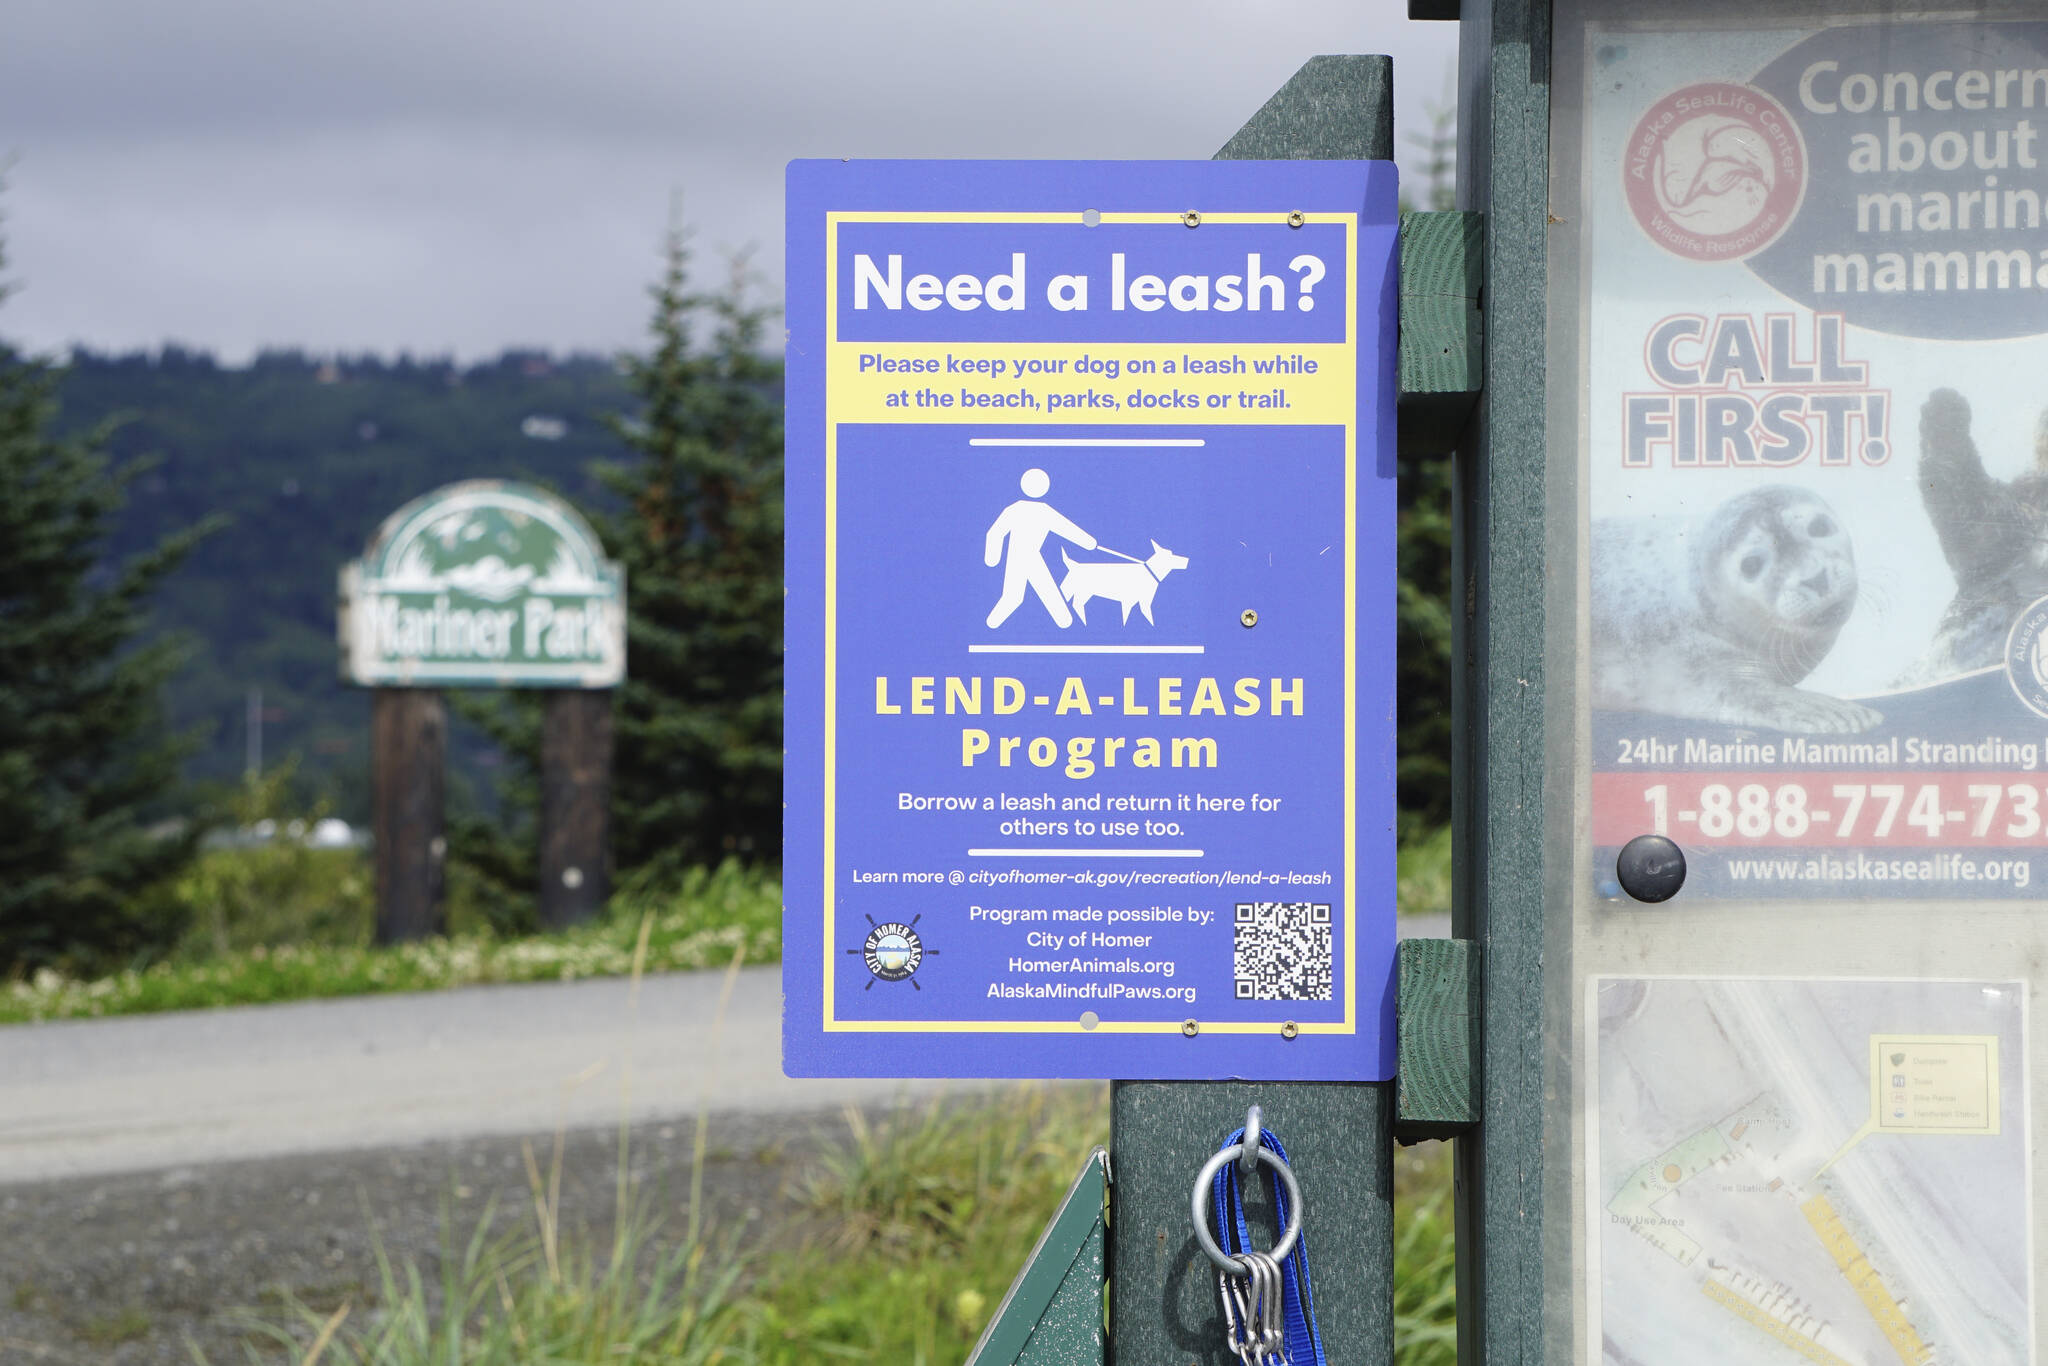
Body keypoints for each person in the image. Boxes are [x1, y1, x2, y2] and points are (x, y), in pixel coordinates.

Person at [983, 468, 1096, 628]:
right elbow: (995, 532)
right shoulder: (1035, 511)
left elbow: (995, 533)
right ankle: (992, 624)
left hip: (1025, 556)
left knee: (1016, 595)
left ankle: (1063, 620)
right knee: (1019, 595)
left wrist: (1089, 543)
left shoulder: (1023, 509)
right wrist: (992, 557)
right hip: (1022, 556)